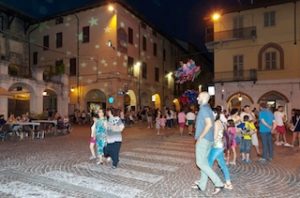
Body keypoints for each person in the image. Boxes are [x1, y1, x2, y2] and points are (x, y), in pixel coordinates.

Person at [193, 91, 224, 195]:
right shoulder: (208, 109)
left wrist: (200, 138)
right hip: (209, 140)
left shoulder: (204, 109)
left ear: (203, 98)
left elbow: (209, 124)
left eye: (199, 97)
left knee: (200, 163)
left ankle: (218, 183)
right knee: (204, 163)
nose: (197, 98)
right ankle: (202, 185)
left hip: (204, 140)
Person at [206, 108, 233, 190]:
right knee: (222, 165)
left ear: (215, 114)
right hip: (219, 146)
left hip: (216, 146)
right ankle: (228, 183)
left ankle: (205, 182)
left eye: (211, 113)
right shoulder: (219, 122)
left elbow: (214, 137)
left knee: (207, 164)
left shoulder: (216, 123)